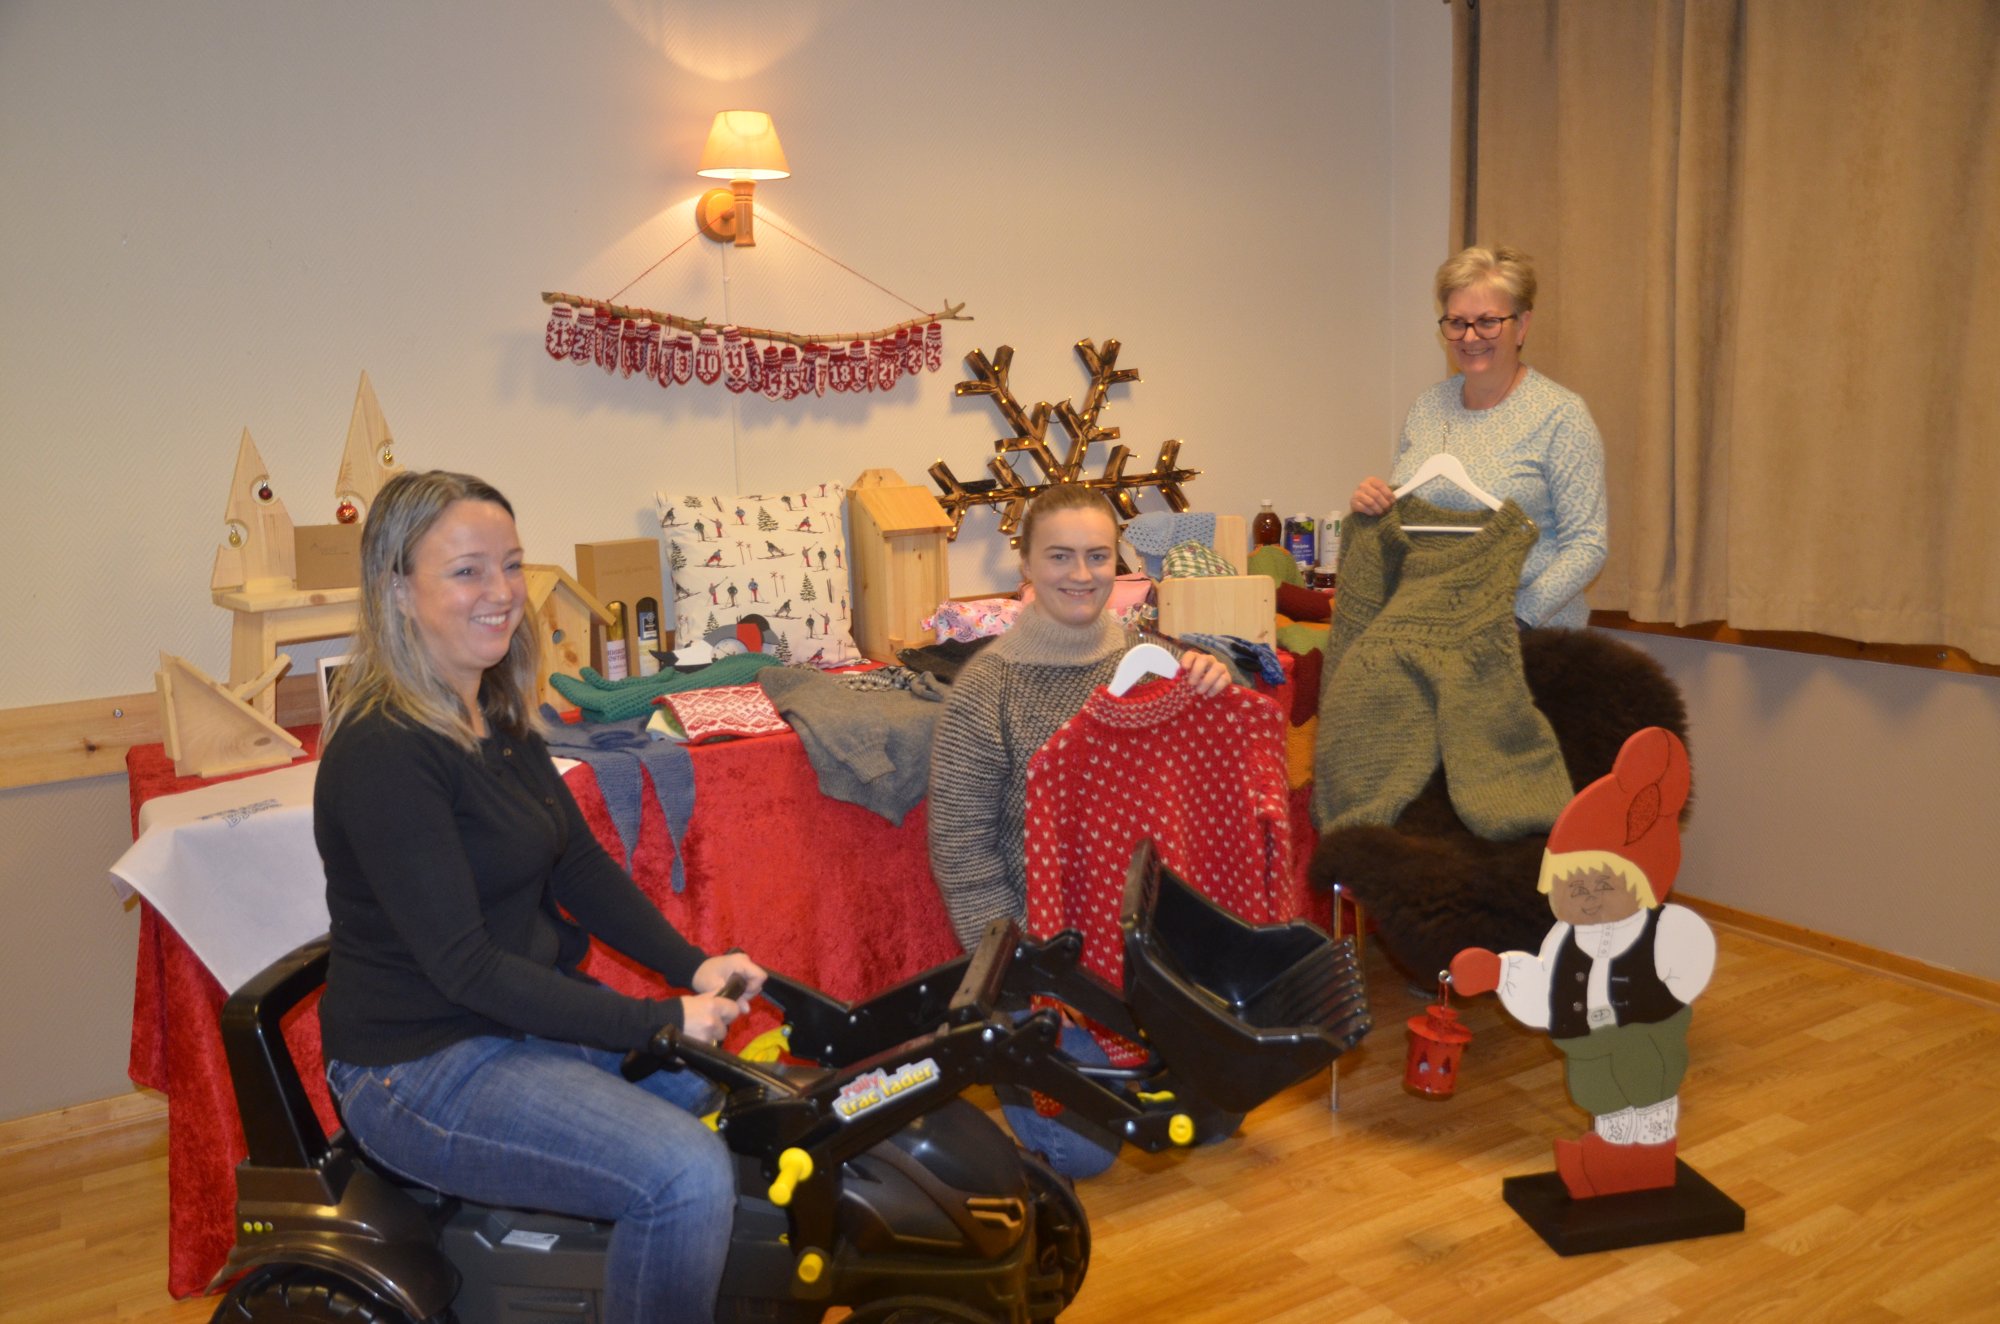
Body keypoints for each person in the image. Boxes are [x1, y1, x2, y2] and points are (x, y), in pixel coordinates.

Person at [315, 469, 765, 1324]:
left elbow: (579, 869)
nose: (503, 592)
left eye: (512, 564)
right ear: (397, 590)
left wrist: (694, 966)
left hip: (508, 1027)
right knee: (682, 1173)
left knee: (728, 1103)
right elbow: (467, 969)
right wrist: (656, 1020)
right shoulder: (384, 752)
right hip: (417, 1069)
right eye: (468, 571)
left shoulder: (491, 710)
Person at [926, 483, 1229, 1176]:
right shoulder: (987, 690)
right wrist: (1025, 973)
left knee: (1216, 1116)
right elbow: (962, 854)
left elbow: (1207, 768)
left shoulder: (1152, 659)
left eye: (1097, 555)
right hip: (1045, 954)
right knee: (1081, 1153)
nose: (1082, 575)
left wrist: (1218, 673)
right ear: (1026, 565)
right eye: (1059, 556)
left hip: (1145, 944)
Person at [1448, 728, 1714, 1199]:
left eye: (1604, 886)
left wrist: (1671, 992)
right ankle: (1611, 1156)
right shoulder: (1563, 941)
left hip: (1644, 1034)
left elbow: (1690, 958)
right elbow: (1545, 984)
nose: (1588, 899)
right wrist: (1500, 973)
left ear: (1639, 884)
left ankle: (1650, 1155)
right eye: (1574, 888)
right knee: (1600, 1095)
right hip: (1586, 1041)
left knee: (1648, 1090)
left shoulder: (1660, 930)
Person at [1350, 244, 1608, 629]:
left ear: (1522, 325)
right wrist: (1374, 507)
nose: (1470, 337)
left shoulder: (1561, 415)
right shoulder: (1427, 407)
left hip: (1530, 638)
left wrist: (1517, 616)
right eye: (1457, 322)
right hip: (1435, 628)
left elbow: (1587, 545)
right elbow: (1407, 522)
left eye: (1488, 321)